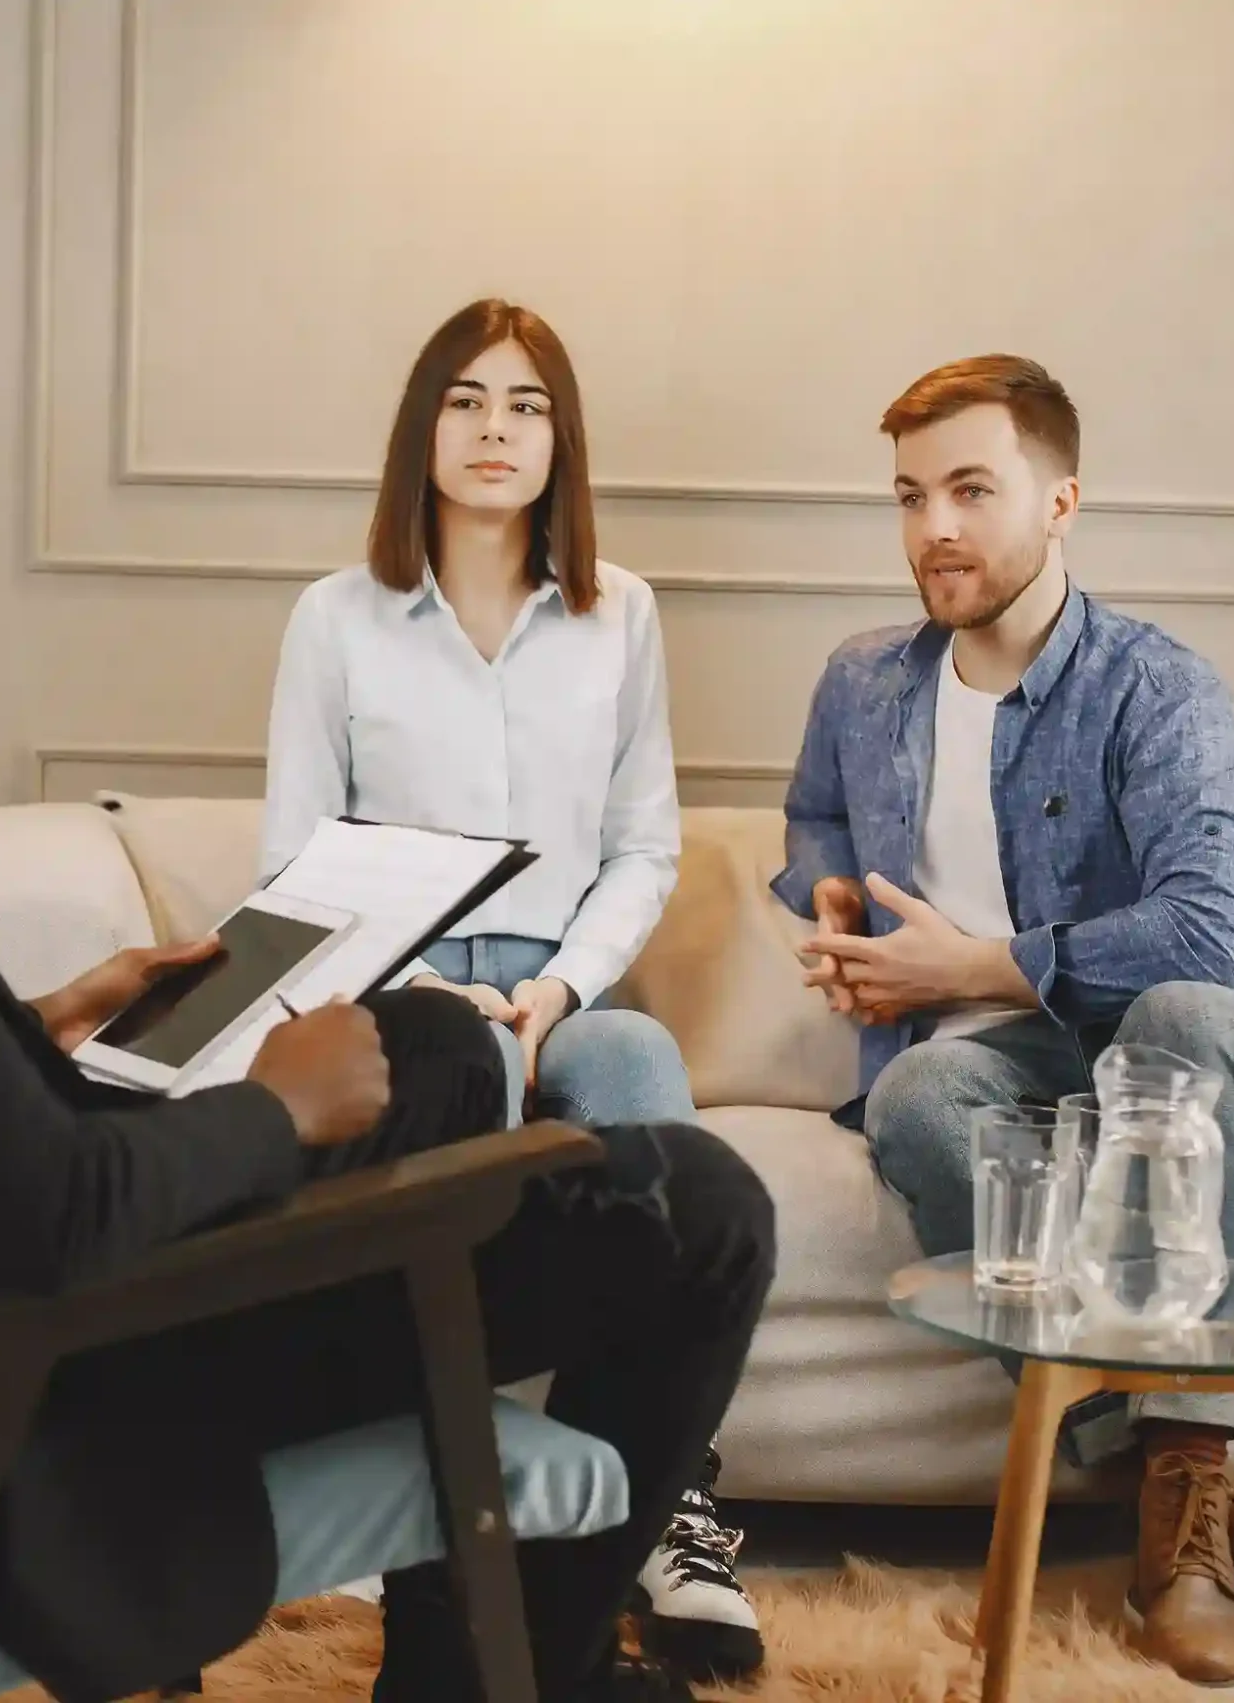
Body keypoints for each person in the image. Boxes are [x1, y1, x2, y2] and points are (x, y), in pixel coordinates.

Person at [0, 310, 775, 1703]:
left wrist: (50, 1013)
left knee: (431, 1051)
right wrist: (274, 1103)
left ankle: (474, 1652)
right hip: (35, 1396)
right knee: (700, 1207)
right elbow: (60, 1215)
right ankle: (509, 1677)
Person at [775, 354, 1234, 1690]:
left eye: (973, 489)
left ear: (1061, 499)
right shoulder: (864, 682)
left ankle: (1185, 1537)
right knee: (913, 1099)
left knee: (1184, 1015)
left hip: (1186, 1051)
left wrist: (969, 963)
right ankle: (1187, 1487)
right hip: (1000, 1068)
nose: (936, 530)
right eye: (911, 497)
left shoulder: (1159, 687)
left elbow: (1208, 936)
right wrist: (837, 898)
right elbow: (809, 826)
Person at [260, 298, 764, 1682]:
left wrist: (554, 990)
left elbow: (646, 841)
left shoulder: (622, 615)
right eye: (468, 400)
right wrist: (433, 986)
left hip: (561, 977)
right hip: (401, 996)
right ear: (423, 426)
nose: (495, 430)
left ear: (562, 437)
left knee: (641, 1076)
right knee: (453, 1075)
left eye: (526, 404)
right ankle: (445, 1508)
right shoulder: (337, 619)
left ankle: (667, 1503)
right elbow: (298, 860)